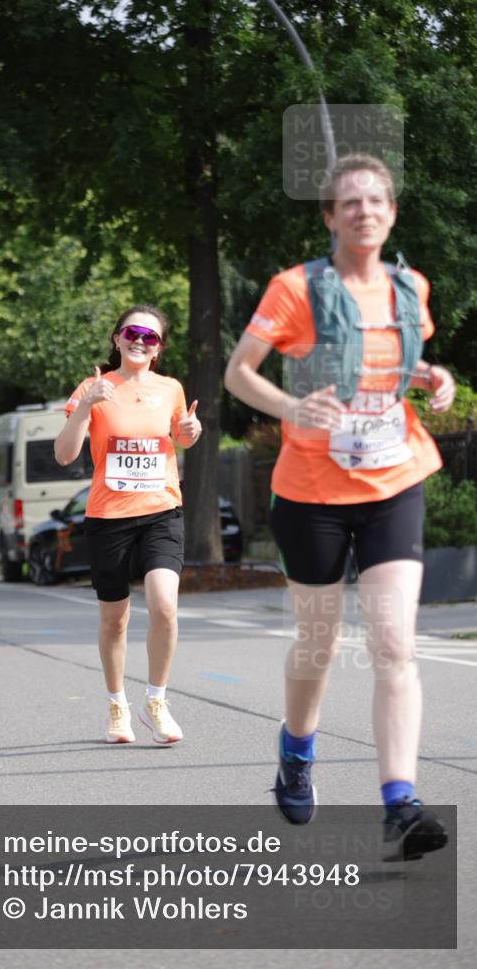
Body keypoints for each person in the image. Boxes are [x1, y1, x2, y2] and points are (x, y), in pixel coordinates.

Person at [225, 154, 455, 860]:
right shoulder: (295, 289)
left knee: (391, 643)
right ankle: (296, 751)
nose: (363, 211)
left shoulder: (407, 286)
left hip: (393, 478)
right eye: (348, 203)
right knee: (319, 644)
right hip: (312, 491)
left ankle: (399, 803)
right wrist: (295, 406)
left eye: (374, 200)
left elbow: (392, 361)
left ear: (389, 212)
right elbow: (240, 373)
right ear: (329, 216)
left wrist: (434, 377)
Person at [55, 306, 202, 745]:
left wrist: (192, 430)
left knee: (164, 605)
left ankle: (156, 700)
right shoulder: (95, 387)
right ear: (117, 338)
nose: (141, 341)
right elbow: (64, 454)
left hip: (161, 511)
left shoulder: (171, 389)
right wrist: (85, 405)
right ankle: (117, 705)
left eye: (151, 337)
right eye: (133, 333)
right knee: (115, 620)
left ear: (158, 349)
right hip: (109, 517)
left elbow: (182, 437)